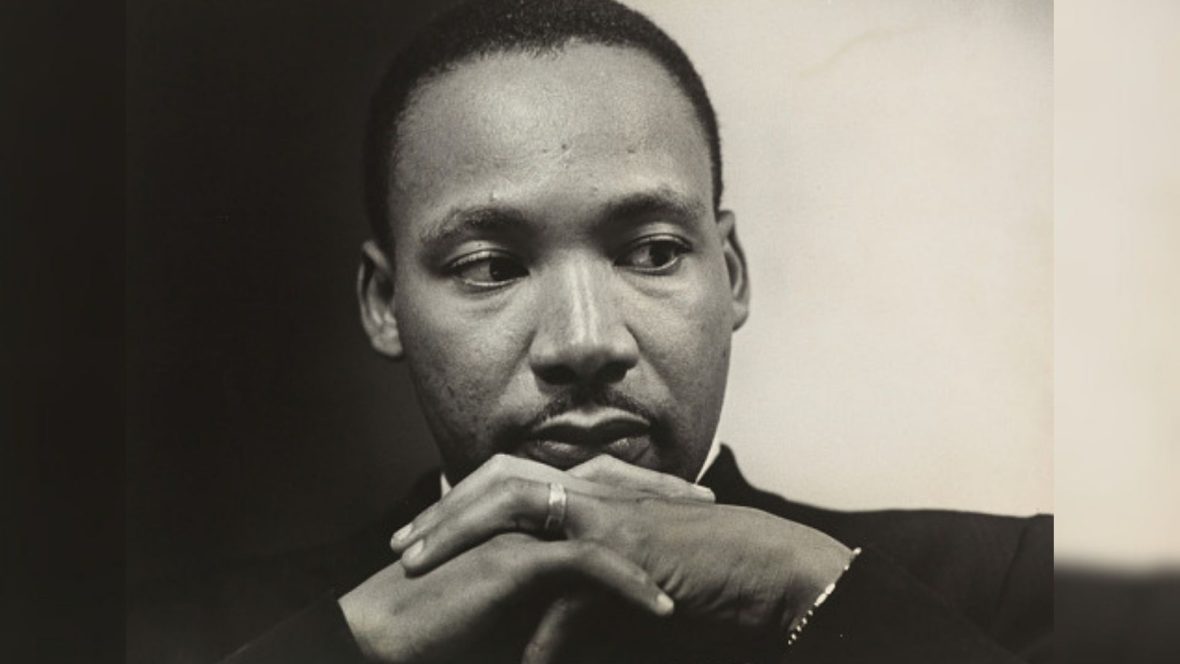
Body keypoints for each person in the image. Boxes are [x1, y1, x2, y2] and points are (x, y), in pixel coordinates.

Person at [128, 1, 1051, 662]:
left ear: (729, 274)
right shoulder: (190, 637)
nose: (583, 342)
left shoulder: (1008, 589)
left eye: (650, 252)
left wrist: (809, 587)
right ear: (383, 302)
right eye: (491, 266)